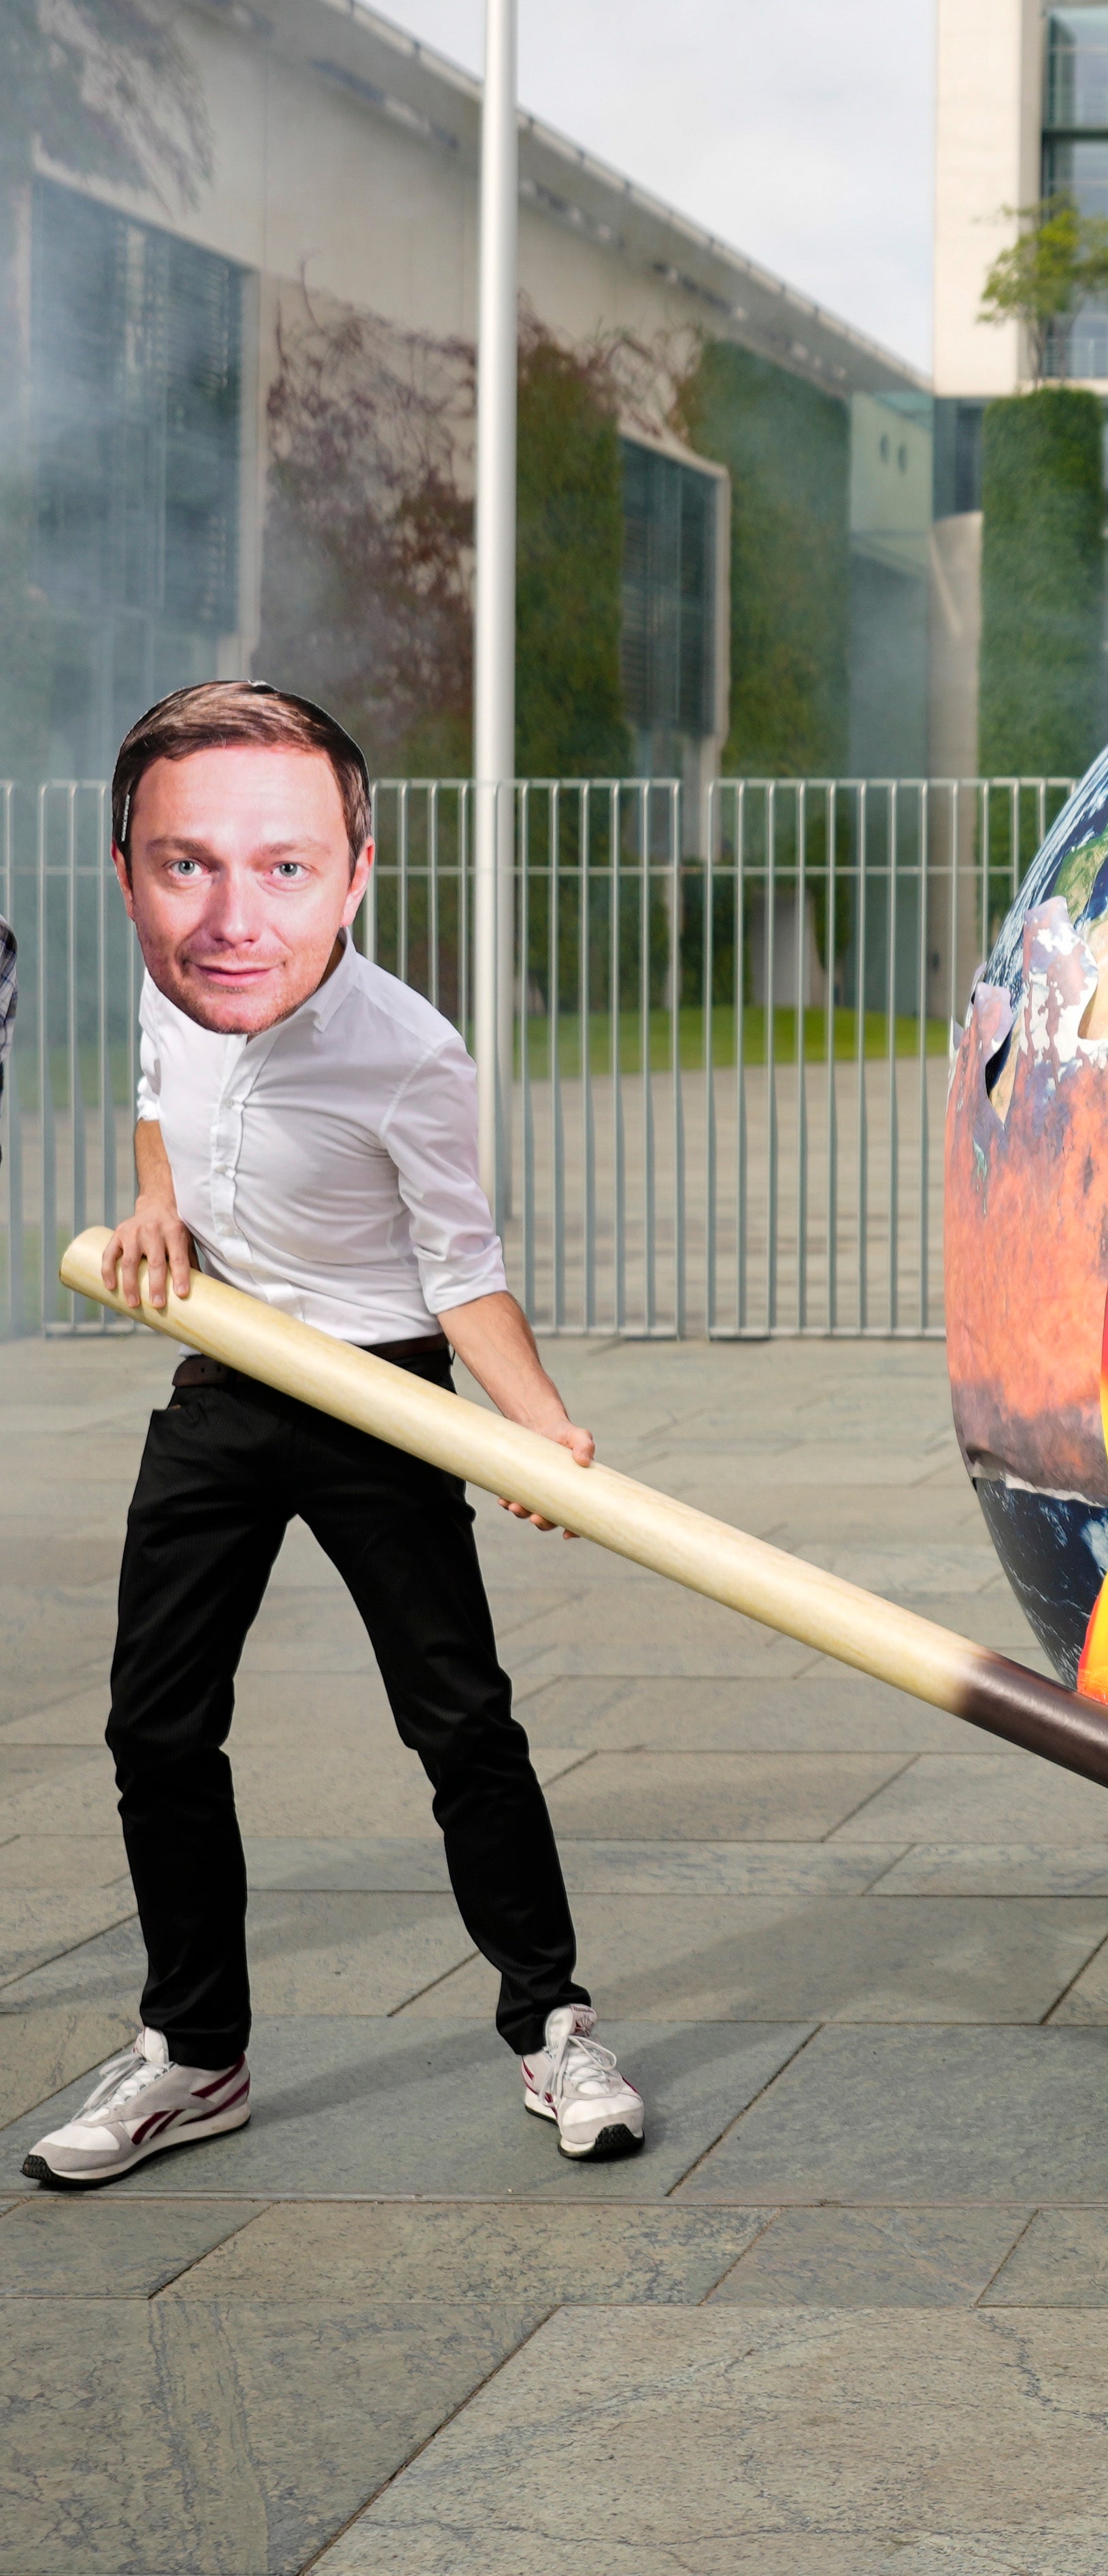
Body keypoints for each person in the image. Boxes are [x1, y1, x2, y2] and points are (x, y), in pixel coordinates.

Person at [20, 683, 646, 2190]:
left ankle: (553, 2022)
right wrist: (155, 1195)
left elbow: (463, 1266)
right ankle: (195, 2053)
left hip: (384, 1393)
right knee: (154, 1725)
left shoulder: (410, 1052)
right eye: (187, 865)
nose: (234, 910)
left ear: (356, 870)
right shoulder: (184, 980)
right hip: (228, 1375)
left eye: (286, 864)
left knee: (459, 1722)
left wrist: (536, 1427)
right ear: (133, 873)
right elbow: (158, 1101)